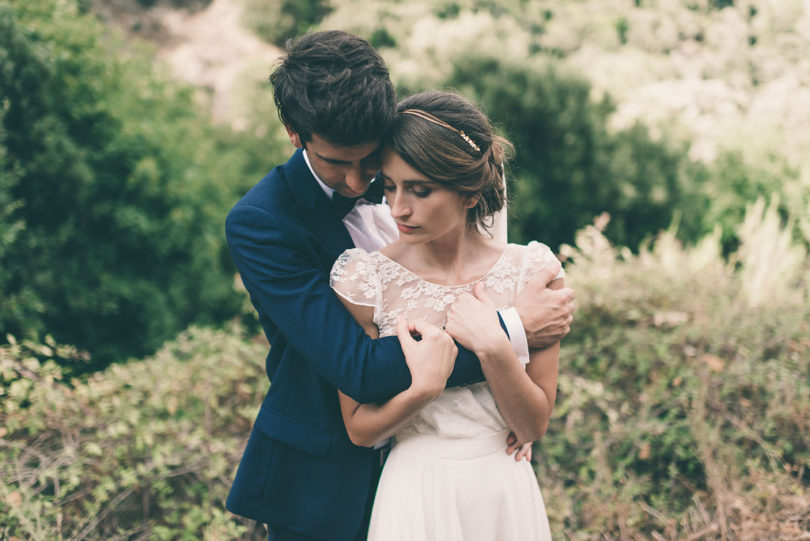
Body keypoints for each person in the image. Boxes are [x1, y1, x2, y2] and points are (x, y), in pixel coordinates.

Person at [225, 31, 574, 540]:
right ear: (294, 133)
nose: (358, 183)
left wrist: (507, 409)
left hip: (474, 481)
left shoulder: (417, 164)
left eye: (369, 164)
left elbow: (483, 261)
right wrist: (514, 331)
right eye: (337, 163)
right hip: (325, 479)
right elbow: (359, 369)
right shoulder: (261, 223)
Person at [330, 90, 562, 540]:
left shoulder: (532, 275)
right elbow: (359, 429)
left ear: (469, 193)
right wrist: (423, 390)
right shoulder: (366, 282)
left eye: (420, 190)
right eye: (391, 187)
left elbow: (534, 423)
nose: (398, 208)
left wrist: (494, 343)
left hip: (502, 489)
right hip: (414, 491)